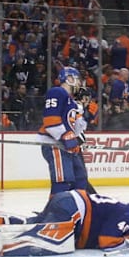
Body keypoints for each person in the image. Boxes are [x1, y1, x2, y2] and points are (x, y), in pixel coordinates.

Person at [0, 189, 129, 257]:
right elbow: (107, 241)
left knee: (34, 222)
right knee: (47, 241)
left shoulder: (123, 209)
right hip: (75, 209)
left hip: (68, 199)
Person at [37, 67, 94, 196]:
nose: (80, 83)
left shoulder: (72, 102)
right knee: (63, 181)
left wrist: (81, 111)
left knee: (80, 179)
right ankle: (55, 213)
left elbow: (77, 128)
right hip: (55, 144)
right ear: (69, 79)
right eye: (78, 80)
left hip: (66, 146)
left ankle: (78, 210)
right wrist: (66, 136)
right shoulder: (57, 92)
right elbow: (50, 121)